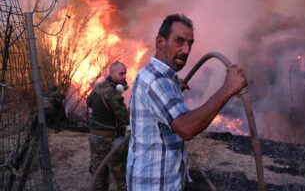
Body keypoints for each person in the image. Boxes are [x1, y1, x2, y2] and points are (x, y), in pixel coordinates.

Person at [126, 14, 247, 191]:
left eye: (190, 43)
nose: (186, 50)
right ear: (160, 42)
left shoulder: (152, 75)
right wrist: (227, 89)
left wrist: (175, 86)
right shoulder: (157, 82)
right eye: (179, 41)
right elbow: (186, 128)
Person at [86, 61, 129, 191]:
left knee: (99, 174)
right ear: (111, 73)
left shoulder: (99, 87)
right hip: (109, 141)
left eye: (125, 73)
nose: (124, 76)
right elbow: (125, 118)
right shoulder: (113, 94)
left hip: (94, 138)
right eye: (121, 73)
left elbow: (89, 101)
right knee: (121, 176)